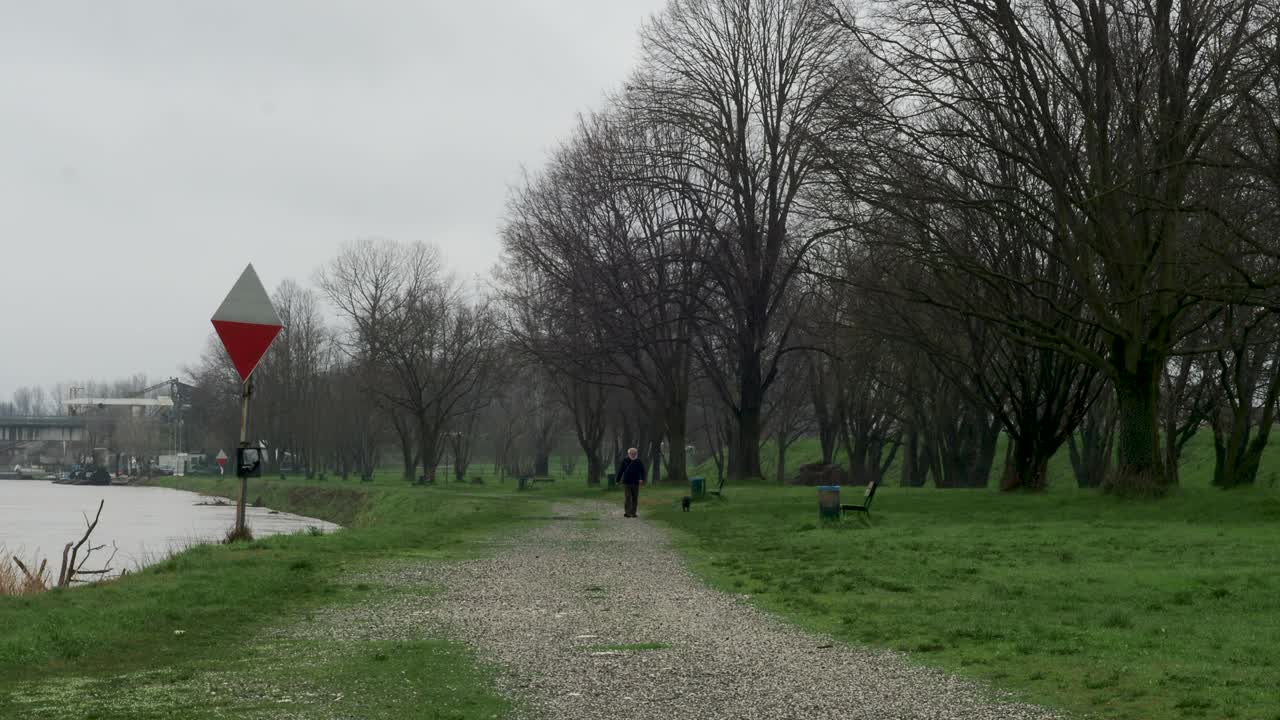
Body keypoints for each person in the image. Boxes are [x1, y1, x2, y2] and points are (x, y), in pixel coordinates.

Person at [616, 447, 646, 518]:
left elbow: (642, 471)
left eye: (634, 453)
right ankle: (627, 513)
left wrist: (642, 479)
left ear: (636, 454)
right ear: (628, 454)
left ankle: (633, 513)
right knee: (628, 497)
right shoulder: (625, 460)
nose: (633, 454)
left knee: (635, 498)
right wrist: (617, 480)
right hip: (626, 482)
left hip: (636, 482)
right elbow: (621, 470)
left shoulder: (638, 461)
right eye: (631, 453)